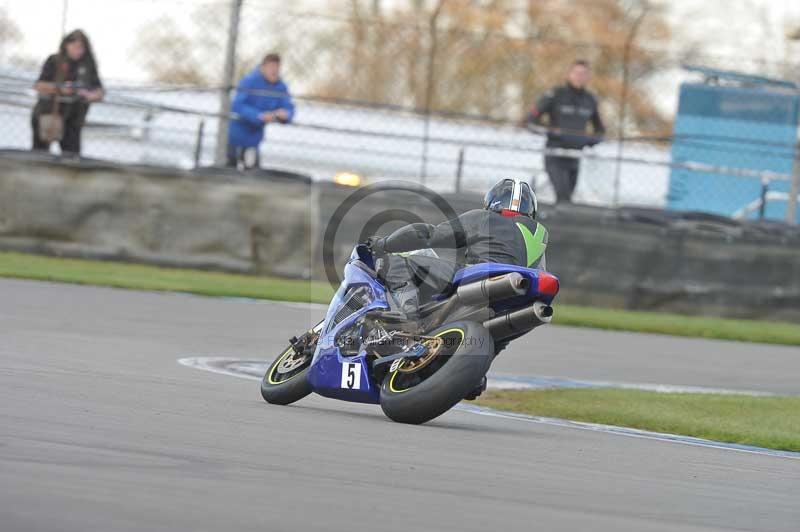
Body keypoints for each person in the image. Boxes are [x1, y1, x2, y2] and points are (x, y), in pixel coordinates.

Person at [367, 178, 547, 315]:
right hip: (519, 295)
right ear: (531, 210)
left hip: (480, 278)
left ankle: (408, 317)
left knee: (397, 263)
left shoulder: (483, 218)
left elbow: (429, 235)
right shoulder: (540, 234)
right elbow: (541, 272)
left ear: (492, 202)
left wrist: (384, 243)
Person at [527, 59, 605, 203]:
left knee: (567, 197)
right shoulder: (555, 94)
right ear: (569, 74)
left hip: (575, 156)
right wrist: (552, 132)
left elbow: (600, 130)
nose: (579, 77)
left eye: (583, 74)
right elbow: (531, 121)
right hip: (555, 154)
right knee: (563, 196)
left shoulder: (590, 99)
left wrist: (589, 140)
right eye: (576, 73)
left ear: (588, 77)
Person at [31, 29, 104, 156]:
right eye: (75, 46)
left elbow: (99, 90)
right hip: (49, 114)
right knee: (40, 155)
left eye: (81, 47)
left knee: (71, 157)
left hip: (74, 119)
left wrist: (91, 95)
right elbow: (39, 85)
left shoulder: (88, 65)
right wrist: (60, 89)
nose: (78, 50)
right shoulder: (54, 60)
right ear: (66, 45)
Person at [226, 53, 295, 169]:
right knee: (230, 169)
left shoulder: (280, 87)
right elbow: (238, 105)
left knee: (252, 171)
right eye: (271, 67)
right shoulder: (249, 81)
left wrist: (286, 114)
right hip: (236, 135)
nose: (274, 71)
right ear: (263, 67)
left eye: (277, 68)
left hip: (254, 140)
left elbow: (288, 107)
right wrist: (258, 116)